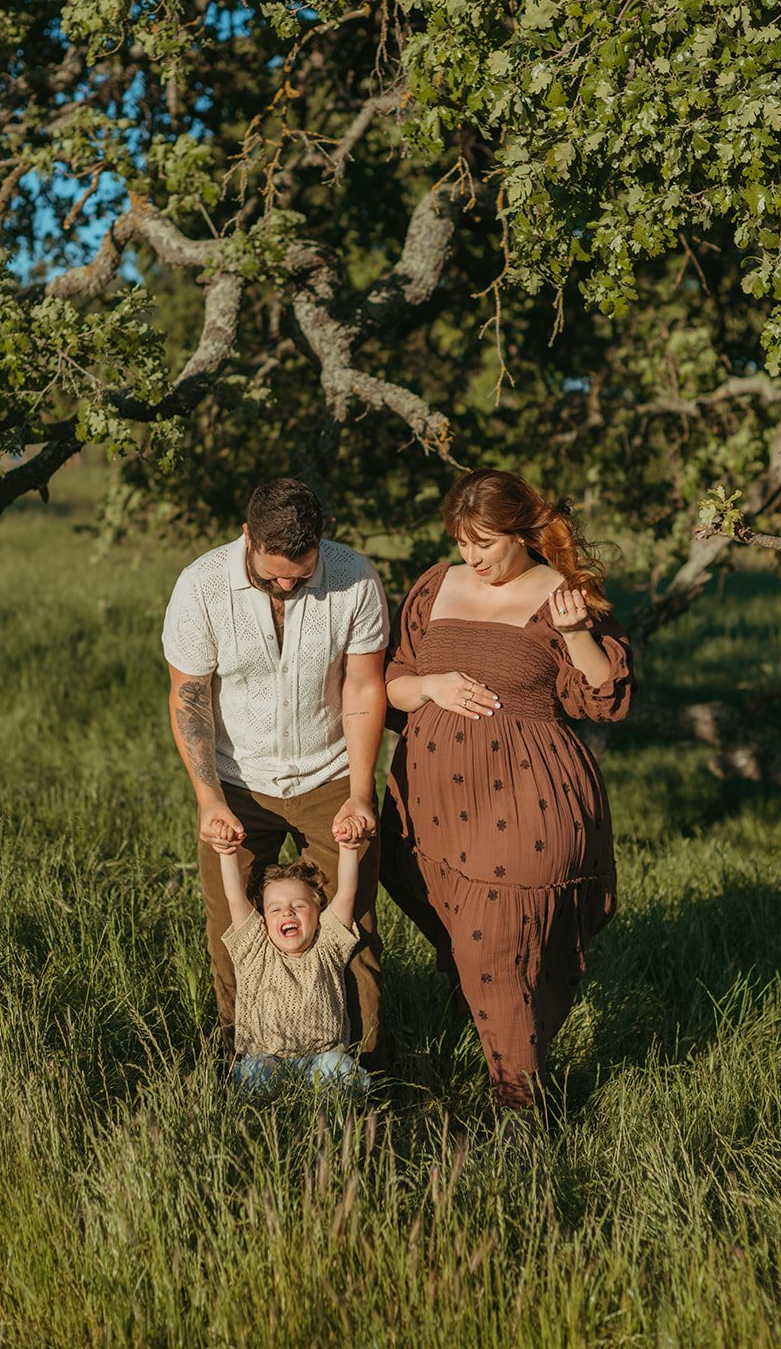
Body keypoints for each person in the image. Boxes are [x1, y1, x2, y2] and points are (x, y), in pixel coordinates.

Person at [380, 468, 635, 1110]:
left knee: (504, 934)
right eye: (463, 542)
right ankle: (509, 1048)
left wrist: (577, 635)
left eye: (485, 543)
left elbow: (603, 700)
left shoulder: (562, 596)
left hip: (530, 798)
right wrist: (431, 687)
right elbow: (392, 684)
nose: (473, 557)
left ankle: (517, 1103)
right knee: (479, 943)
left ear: (521, 533)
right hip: (435, 806)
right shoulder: (435, 585)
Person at [162, 477, 388, 1065]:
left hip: (331, 772)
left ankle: (362, 1067)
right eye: (275, 569)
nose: (289, 581)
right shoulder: (202, 586)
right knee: (233, 936)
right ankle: (242, 1061)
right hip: (238, 783)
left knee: (352, 931)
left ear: (321, 542)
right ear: (248, 537)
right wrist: (210, 801)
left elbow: (364, 685)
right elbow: (189, 696)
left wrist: (361, 793)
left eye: (302, 568)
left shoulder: (355, 578)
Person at [206, 810, 374, 1093]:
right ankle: (267, 1120)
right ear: (263, 918)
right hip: (268, 1059)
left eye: (298, 906)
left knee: (343, 1070)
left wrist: (349, 848)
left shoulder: (328, 946)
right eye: (276, 909)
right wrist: (227, 852)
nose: (287, 912)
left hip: (322, 1059)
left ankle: (333, 1120)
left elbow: (346, 893)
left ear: (317, 912)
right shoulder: (255, 949)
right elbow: (234, 895)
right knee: (255, 1076)